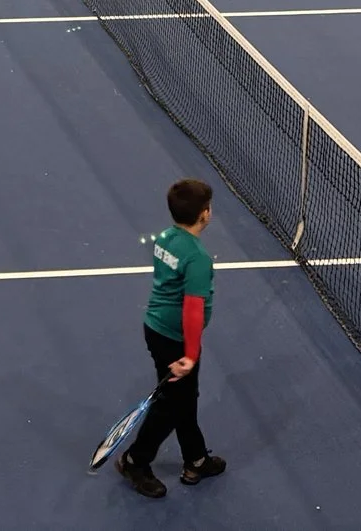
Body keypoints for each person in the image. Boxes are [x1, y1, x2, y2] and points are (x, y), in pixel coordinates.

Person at [117, 177, 227, 498]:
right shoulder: (198, 259)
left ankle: (196, 459)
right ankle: (135, 461)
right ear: (205, 214)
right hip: (177, 339)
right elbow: (193, 311)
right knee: (170, 406)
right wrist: (190, 355)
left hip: (155, 328)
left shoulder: (165, 238)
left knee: (183, 399)